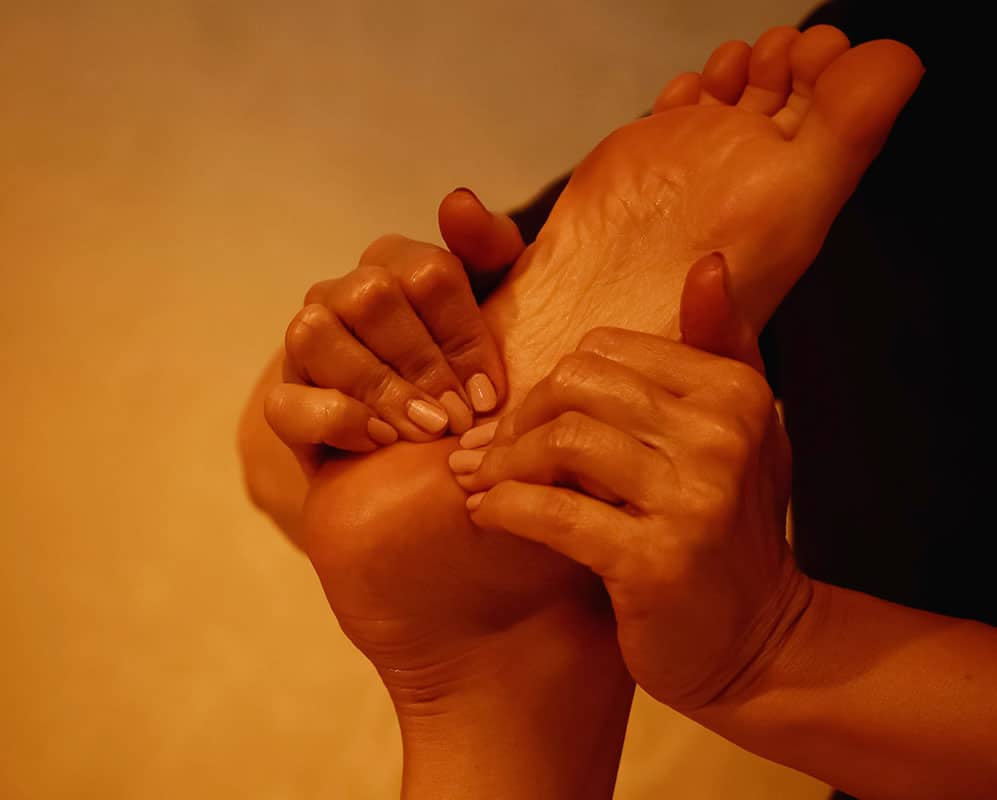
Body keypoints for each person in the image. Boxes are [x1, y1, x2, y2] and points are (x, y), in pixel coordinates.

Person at [238, 8, 994, 800]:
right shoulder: (922, 106)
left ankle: (516, 633)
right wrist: (384, 369)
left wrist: (774, 646)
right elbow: (271, 454)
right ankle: (522, 591)